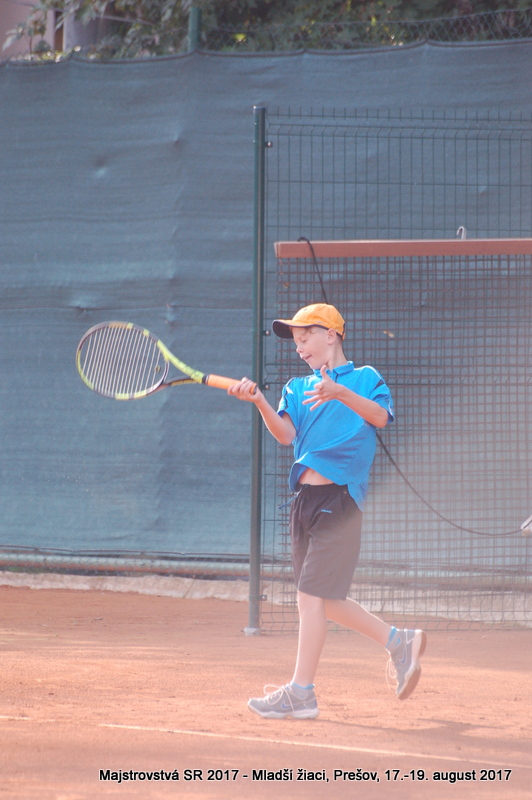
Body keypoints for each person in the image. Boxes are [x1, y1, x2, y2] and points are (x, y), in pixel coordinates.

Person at [228, 303, 426, 719]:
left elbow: (380, 417)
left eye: (306, 337)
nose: (299, 347)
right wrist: (260, 401)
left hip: (340, 500)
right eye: (296, 342)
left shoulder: (365, 378)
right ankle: (399, 642)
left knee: (309, 597)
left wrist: (339, 392)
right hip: (304, 502)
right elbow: (286, 435)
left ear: (331, 335)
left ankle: (302, 692)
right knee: (326, 601)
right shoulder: (296, 388)